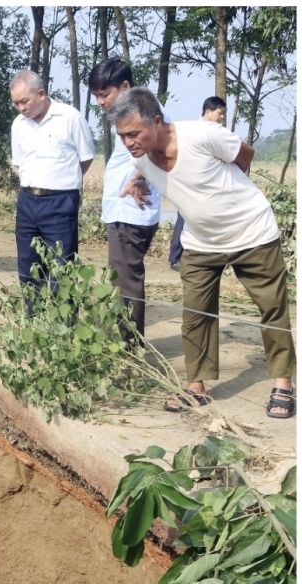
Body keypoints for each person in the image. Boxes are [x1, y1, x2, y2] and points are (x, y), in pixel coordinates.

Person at [109, 87, 296, 418]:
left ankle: (283, 381)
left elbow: (245, 154)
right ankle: (196, 386)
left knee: (272, 308)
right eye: (122, 136)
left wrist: (230, 194)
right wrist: (138, 180)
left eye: (133, 133)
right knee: (195, 315)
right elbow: (149, 169)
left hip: (251, 232)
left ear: (156, 121)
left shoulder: (203, 134)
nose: (128, 142)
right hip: (200, 242)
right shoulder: (140, 156)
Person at [89, 57, 170, 340]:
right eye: (96, 95)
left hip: (131, 213)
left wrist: (138, 180)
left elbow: (162, 151)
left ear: (124, 86)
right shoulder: (127, 118)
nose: (100, 101)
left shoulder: (149, 116)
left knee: (127, 282)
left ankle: (130, 346)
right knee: (122, 280)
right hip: (123, 211)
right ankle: (125, 340)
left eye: (104, 93)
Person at [9, 70, 95, 292]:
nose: (21, 108)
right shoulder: (18, 124)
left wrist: (64, 181)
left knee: (62, 268)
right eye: (16, 103)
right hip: (28, 202)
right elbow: (20, 162)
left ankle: (64, 324)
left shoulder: (70, 118)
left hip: (60, 202)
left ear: (41, 93)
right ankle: (32, 321)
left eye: (24, 101)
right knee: (28, 268)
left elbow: (86, 158)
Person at [170, 96, 229, 271]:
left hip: (207, 187)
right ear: (208, 111)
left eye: (224, 114)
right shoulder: (192, 130)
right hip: (190, 184)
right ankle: (175, 258)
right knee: (183, 219)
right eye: (220, 113)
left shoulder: (214, 132)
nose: (222, 117)